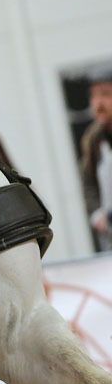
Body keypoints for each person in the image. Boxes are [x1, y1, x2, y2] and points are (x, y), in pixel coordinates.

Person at [80, 63, 112, 251]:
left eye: (106, 95)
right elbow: (88, 182)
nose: (98, 103)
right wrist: (96, 214)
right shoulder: (93, 138)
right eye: (94, 96)